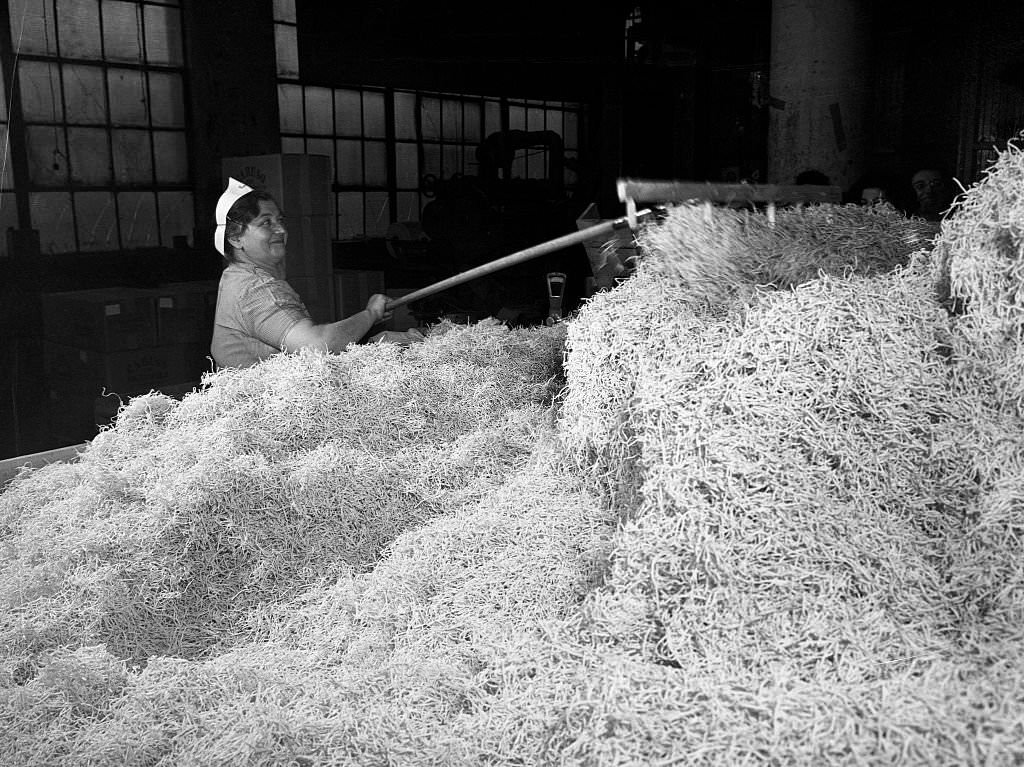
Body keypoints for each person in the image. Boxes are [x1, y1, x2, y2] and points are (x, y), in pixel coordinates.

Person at [211, 178, 423, 369]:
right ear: (235, 238)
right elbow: (317, 347)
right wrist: (370, 314)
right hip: (267, 397)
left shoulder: (237, 276)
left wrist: (368, 326)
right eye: (266, 222)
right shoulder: (255, 290)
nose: (281, 230)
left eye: (280, 220)